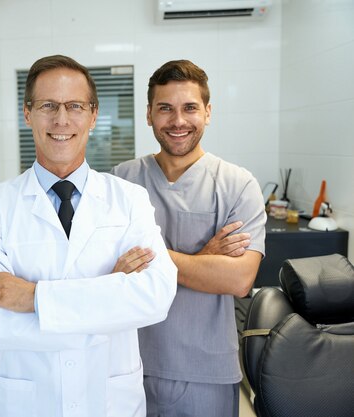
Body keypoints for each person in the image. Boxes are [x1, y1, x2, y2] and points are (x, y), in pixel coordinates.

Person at [0, 55, 177, 417]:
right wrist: (110, 297)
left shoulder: (129, 200)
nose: (61, 120)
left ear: (93, 115)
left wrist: (32, 297)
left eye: (75, 106)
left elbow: (156, 297)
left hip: (110, 399)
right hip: (28, 403)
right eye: (48, 105)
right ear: (27, 113)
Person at [110, 59, 267, 417]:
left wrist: (152, 260)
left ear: (208, 112)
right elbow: (106, 267)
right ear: (149, 114)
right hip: (126, 364)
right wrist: (204, 256)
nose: (178, 121)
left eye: (190, 108)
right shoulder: (121, 181)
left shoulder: (236, 185)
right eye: (165, 108)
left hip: (205, 371)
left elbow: (239, 279)